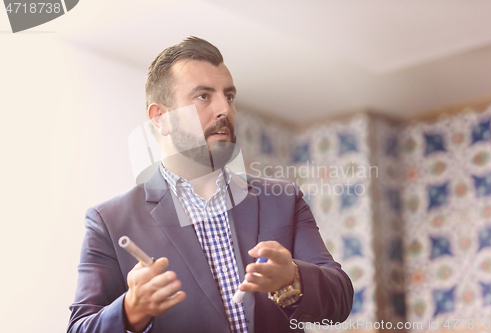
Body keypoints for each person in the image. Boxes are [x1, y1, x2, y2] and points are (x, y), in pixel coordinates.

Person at [67, 36, 353, 333]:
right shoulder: (109, 223)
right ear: (161, 118)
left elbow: (340, 302)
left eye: (228, 96)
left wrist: (292, 278)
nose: (224, 110)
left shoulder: (283, 199)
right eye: (203, 96)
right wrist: (131, 309)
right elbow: (79, 328)